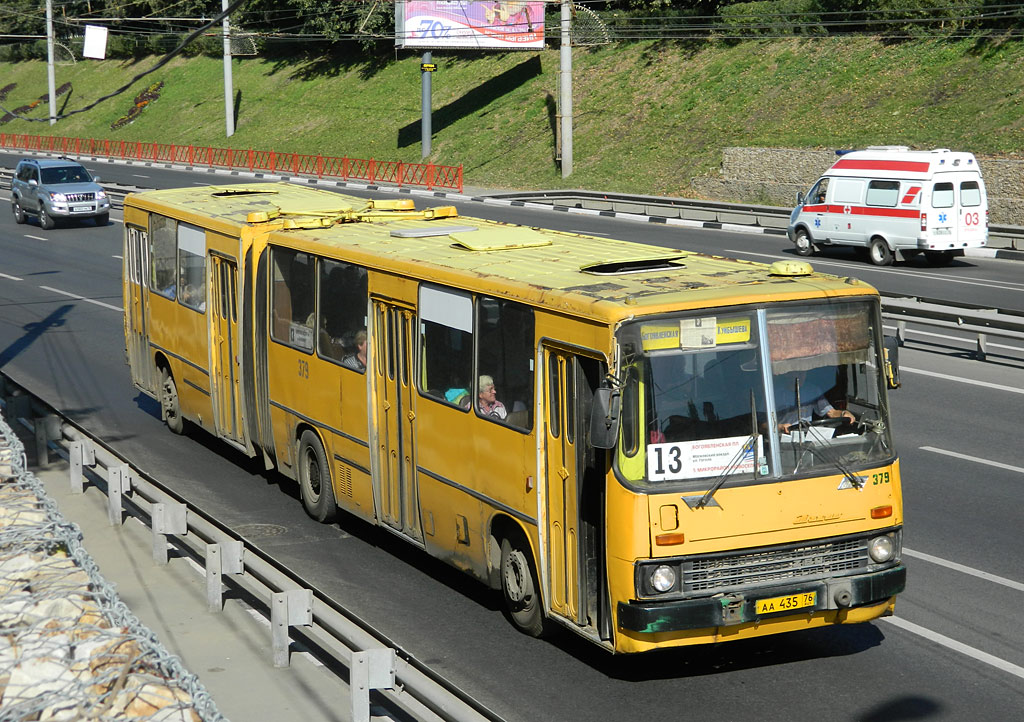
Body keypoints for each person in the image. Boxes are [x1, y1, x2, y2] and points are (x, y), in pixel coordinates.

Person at [774, 368, 854, 434]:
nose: (800, 376)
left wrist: (843, 413)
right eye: (797, 373)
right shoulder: (774, 394)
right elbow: (763, 425)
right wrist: (780, 427)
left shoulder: (812, 390)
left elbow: (831, 412)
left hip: (807, 437)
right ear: (787, 374)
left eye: (803, 373)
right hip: (782, 439)